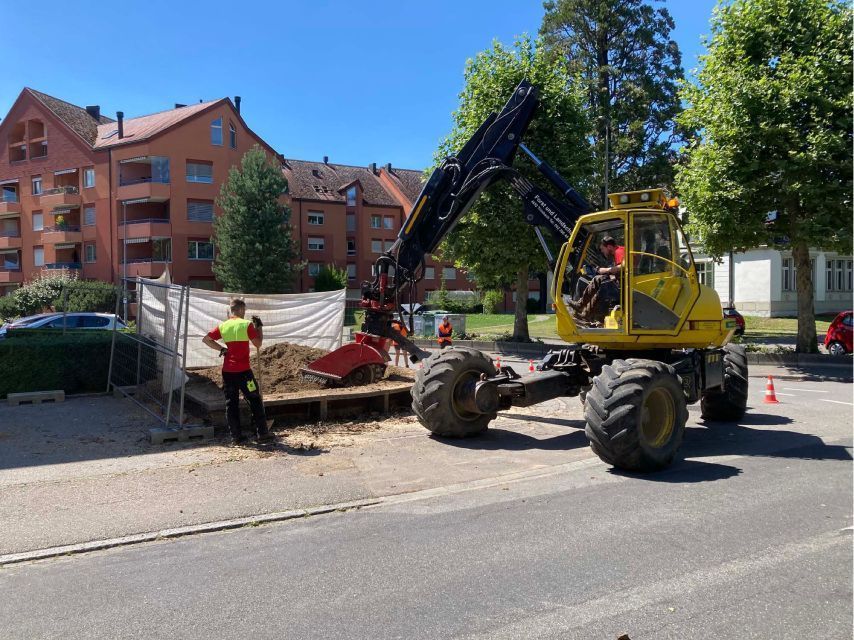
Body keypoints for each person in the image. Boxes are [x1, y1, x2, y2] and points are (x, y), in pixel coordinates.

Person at [202, 298, 272, 445]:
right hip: (244, 372)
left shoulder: (223, 326)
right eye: (244, 311)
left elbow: (206, 339)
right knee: (255, 400)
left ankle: (236, 437)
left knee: (231, 404)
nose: (245, 314)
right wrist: (259, 327)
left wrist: (222, 349)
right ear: (240, 310)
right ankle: (263, 434)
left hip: (228, 372)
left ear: (231, 310)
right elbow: (258, 344)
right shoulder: (246, 325)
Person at [568, 236, 624, 322]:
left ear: (609, 247)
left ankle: (580, 306)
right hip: (622, 283)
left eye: (602, 249)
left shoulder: (619, 252)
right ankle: (585, 314)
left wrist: (604, 270)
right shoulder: (620, 251)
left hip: (623, 287)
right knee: (601, 288)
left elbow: (623, 266)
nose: (602, 252)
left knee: (597, 280)